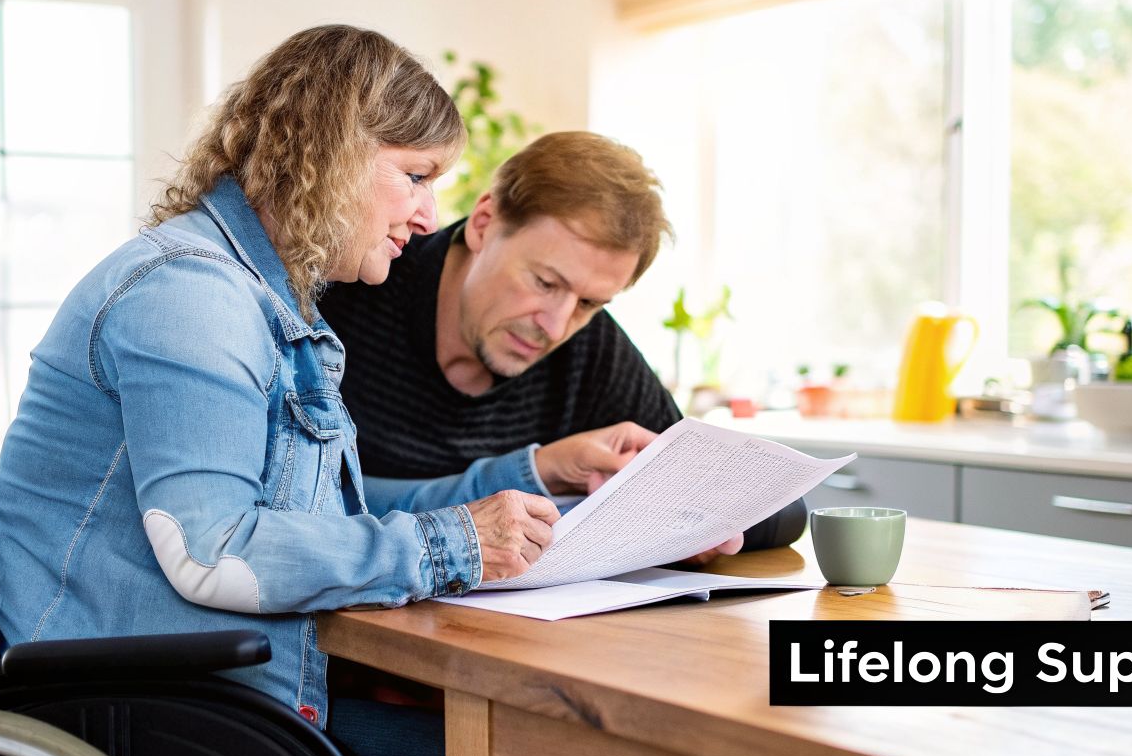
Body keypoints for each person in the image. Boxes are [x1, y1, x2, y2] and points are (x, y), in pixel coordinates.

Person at [0, 25, 776, 756]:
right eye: (414, 174)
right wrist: (453, 543)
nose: (426, 215)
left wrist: (521, 505)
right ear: (325, 153)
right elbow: (214, 551)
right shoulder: (188, 295)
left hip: (231, 699)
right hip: (175, 726)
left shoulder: (261, 300)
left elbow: (343, 513)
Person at [319, 130, 804, 559]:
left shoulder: (589, 345)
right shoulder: (353, 289)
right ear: (485, 222)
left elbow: (779, 512)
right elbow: (305, 508)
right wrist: (537, 472)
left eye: (589, 302)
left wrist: (678, 525)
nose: (555, 327)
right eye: (545, 282)